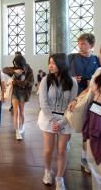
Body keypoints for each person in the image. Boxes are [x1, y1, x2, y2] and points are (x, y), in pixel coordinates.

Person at [37, 53, 78, 190]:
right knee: (48, 149)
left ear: (62, 64)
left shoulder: (72, 82)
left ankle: (59, 178)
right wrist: (54, 121)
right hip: (48, 118)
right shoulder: (45, 80)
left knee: (62, 150)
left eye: (54, 63)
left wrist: (62, 122)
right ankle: (47, 171)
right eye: (50, 62)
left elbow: (72, 104)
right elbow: (43, 103)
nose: (50, 65)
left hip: (65, 119)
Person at [82, 41, 101, 190]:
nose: (99, 55)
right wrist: (76, 100)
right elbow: (90, 92)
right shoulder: (100, 72)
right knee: (92, 163)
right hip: (94, 123)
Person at [68, 33, 100, 173]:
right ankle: (65, 146)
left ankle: (84, 157)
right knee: (69, 121)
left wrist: (91, 83)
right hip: (73, 94)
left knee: (87, 126)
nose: (80, 46)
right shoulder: (72, 57)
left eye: (84, 44)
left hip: (90, 97)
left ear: (91, 45)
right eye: (79, 43)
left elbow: (99, 77)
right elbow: (63, 74)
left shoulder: (96, 60)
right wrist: (72, 78)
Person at [3, 55, 34, 140]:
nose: (15, 65)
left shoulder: (28, 69)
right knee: (16, 112)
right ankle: (17, 131)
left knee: (22, 112)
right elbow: (4, 69)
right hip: (15, 93)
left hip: (23, 93)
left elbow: (29, 82)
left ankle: (22, 127)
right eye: (14, 64)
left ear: (21, 63)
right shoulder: (15, 68)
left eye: (16, 64)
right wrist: (14, 71)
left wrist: (15, 82)